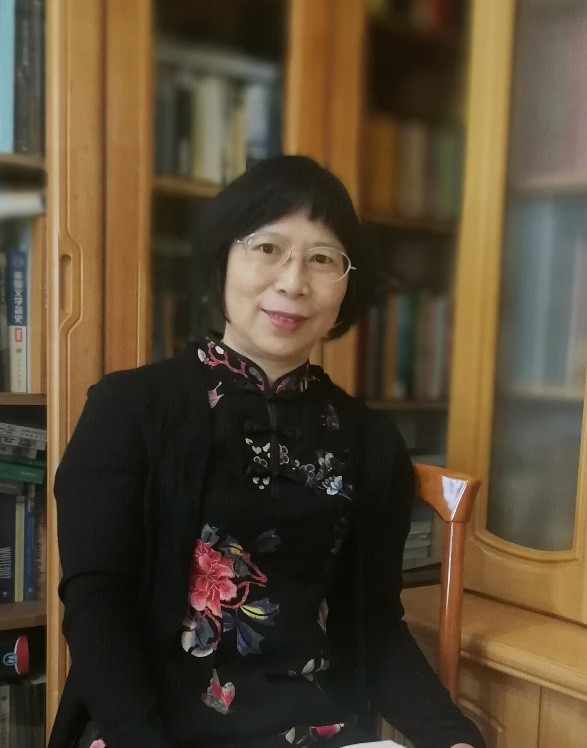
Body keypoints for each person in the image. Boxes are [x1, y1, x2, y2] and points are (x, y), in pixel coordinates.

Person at [48, 155, 485, 748]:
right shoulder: (127, 410)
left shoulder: (371, 442)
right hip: (148, 730)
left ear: (346, 285)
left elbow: (376, 628)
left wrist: (452, 736)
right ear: (223, 258)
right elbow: (97, 608)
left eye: (322, 259)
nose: (294, 282)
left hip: (312, 731)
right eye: (268, 248)